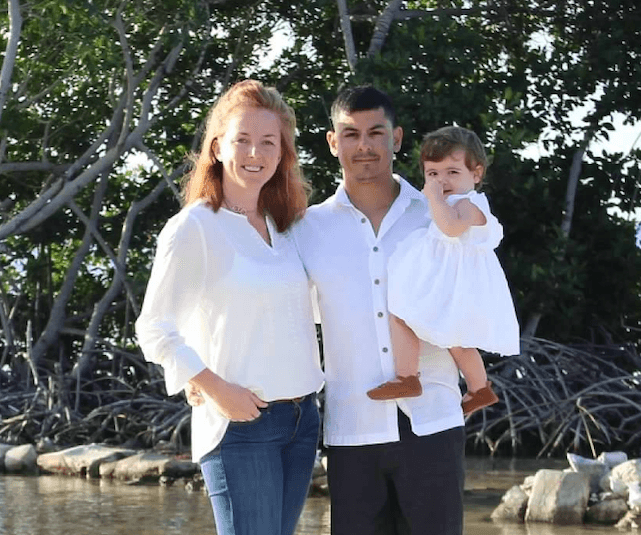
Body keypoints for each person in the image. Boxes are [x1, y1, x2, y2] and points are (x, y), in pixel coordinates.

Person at [135, 79, 324, 535]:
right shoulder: (194, 227)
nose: (255, 153)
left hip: (303, 420)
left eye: (268, 142)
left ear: (282, 154)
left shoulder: (288, 228)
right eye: (243, 140)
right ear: (218, 147)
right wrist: (213, 387)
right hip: (241, 426)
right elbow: (154, 328)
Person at [293, 85, 465, 535]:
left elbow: (472, 299)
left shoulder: (438, 217)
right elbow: (283, 316)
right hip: (352, 430)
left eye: (376, 133)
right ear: (333, 143)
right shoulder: (307, 229)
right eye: (351, 134)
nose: (364, 145)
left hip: (434, 422)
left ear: (397, 138)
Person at [366, 126, 520, 415]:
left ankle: (408, 377)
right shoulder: (452, 202)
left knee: (403, 313)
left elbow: (450, 227)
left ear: (476, 174)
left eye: (452, 172)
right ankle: (478, 388)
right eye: (433, 173)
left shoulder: (469, 203)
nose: (441, 181)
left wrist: (434, 198)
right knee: (450, 338)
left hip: (454, 287)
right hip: (447, 283)